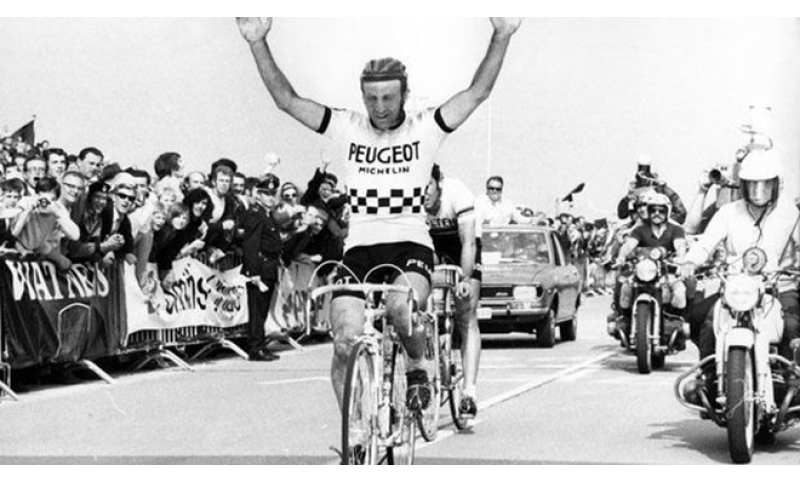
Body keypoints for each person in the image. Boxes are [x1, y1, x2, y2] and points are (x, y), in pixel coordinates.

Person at [237, 16, 522, 415]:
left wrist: (501, 35)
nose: (380, 107)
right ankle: (355, 430)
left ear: (404, 95)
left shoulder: (426, 128)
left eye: (388, 98)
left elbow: (477, 93)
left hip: (410, 244)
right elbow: (286, 100)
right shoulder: (347, 127)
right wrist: (257, 43)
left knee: (400, 308)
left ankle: (417, 365)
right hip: (360, 248)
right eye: (371, 99)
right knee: (344, 339)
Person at [680, 150, 800, 398]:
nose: (758, 190)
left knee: (791, 325)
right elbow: (705, 244)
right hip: (737, 290)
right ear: (743, 184)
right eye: (752, 183)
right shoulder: (728, 212)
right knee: (703, 319)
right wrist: (690, 262)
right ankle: (710, 379)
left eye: (765, 183)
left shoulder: (792, 215)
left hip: (779, 287)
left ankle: (791, 380)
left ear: (776, 183)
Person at [424, 164, 482, 419]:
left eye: (427, 186)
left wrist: (465, 279)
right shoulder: (411, 197)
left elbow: (468, 242)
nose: (423, 193)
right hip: (433, 245)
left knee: (466, 314)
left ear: (439, 184)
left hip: (462, 244)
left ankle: (469, 392)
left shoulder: (458, 193)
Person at [609, 193, 689, 341]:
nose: (657, 213)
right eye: (653, 210)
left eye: (661, 210)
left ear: (668, 211)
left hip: (667, 272)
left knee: (680, 291)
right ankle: (625, 320)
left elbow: (680, 246)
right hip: (643, 271)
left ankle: (674, 321)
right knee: (625, 288)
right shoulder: (640, 229)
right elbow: (629, 245)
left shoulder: (676, 229)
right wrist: (621, 257)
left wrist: (681, 260)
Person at [240, 174, 283, 362]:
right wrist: (254, 272)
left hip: (269, 266)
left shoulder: (267, 214)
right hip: (260, 266)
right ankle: (255, 347)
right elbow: (251, 244)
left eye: (273, 194)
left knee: (263, 309)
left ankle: (260, 344)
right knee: (257, 310)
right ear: (258, 195)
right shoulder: (255, 214)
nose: (271, 198)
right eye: (267, 194)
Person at [12, 177, 80, 270]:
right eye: (42, 199)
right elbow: (11, 231)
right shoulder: (26, 202)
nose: (45, 203)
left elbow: (75, 236)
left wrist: (57, 213)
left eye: (51, 199)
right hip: (18, 245)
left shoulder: (58, 209)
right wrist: (26, 212)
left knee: (65, 264)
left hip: (41, 248)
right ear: (36, 196)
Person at [617, 156, 687, 225]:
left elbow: (681, 214)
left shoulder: (664, 191)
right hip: (638, 228)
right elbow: (622, 215)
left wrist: (661, 219)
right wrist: (627, 199)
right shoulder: (634, 191)